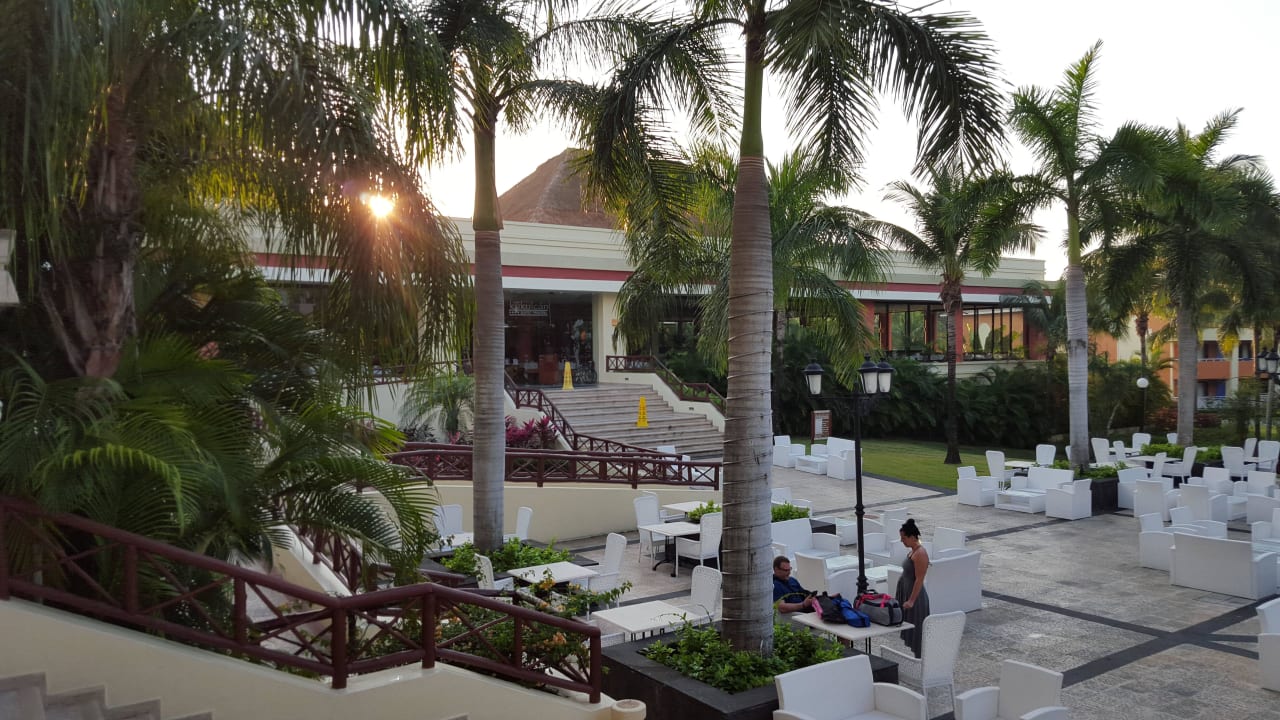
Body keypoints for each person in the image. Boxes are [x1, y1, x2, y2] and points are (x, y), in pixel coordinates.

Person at [896, 518, 931, 657]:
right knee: (912, 630)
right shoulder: (913, 551)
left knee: (918, 632)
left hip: (916, 599)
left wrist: (911, 600)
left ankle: (921, 659)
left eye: (904, 538)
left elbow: (919, 580)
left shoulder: (920, 553)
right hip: (909, 594)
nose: (902, 541)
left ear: (912, 537)